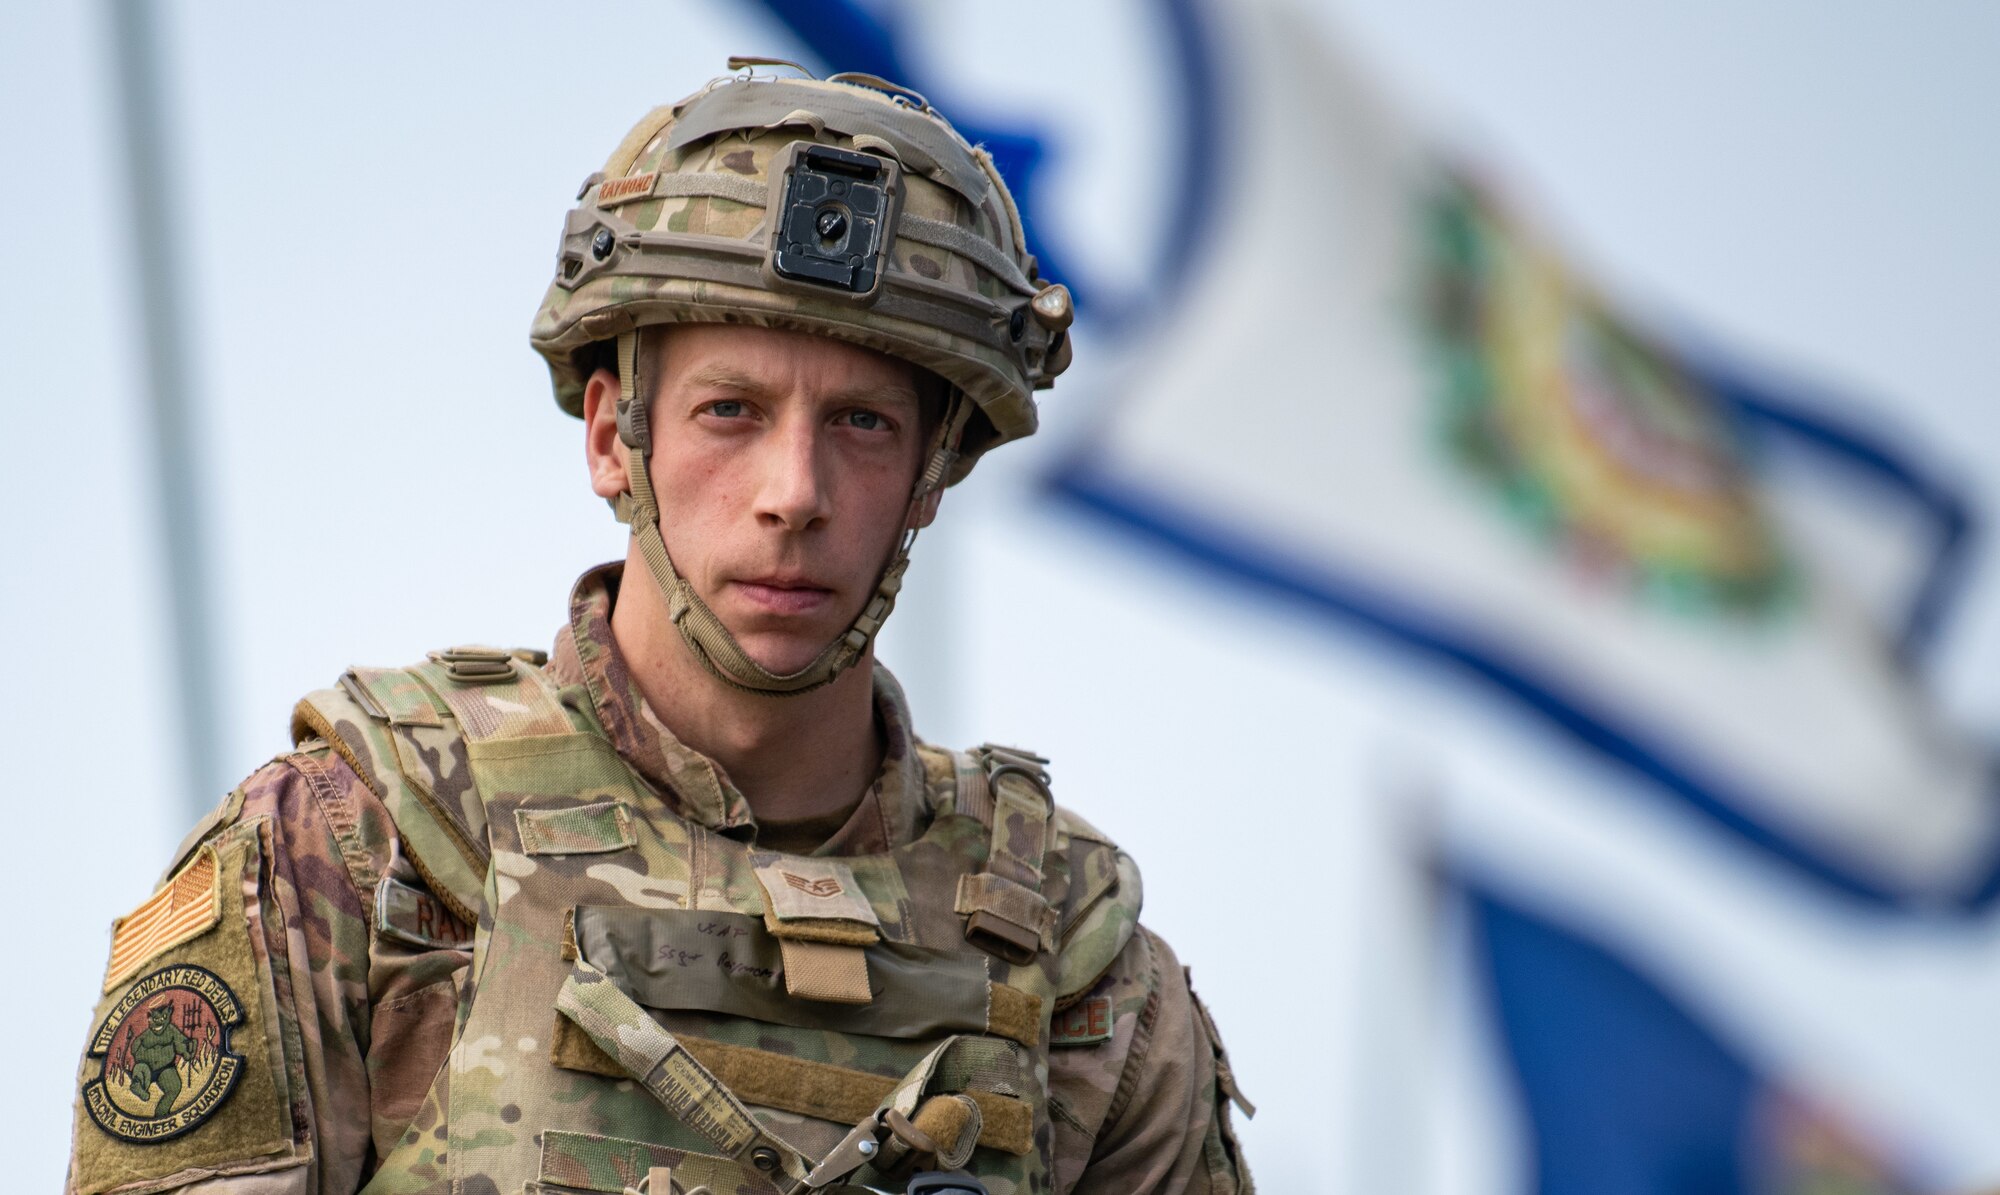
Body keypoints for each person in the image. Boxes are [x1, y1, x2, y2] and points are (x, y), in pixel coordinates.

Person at [66, 61, 1253, 1195]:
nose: (794, 491)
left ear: (931, 473)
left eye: (863, 423)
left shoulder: (1075, 959)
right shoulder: (366, 850)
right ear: (610, 438)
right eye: (730, 410)